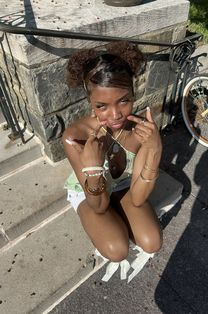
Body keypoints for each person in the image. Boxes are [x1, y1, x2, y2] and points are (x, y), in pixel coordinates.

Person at [63, 41, 163, 281]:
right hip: (90, 194)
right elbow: (98, 207)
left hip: (124, 186)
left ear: (133, 93)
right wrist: (94, 167)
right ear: (90, 102)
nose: (116, 114)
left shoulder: (140, 130)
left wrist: (155, 146)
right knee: (117, 250)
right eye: (102, 106)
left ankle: (120, 214)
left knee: (152, 242)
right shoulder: (75, 137)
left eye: (124, 101)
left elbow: (138, 198)